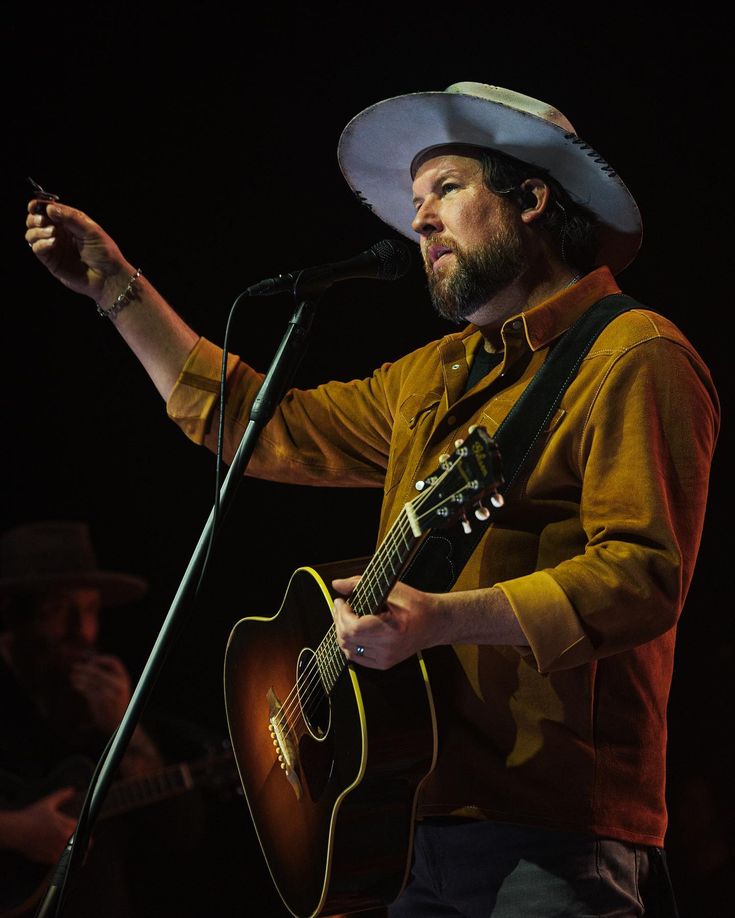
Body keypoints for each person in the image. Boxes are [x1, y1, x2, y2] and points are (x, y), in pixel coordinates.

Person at [23, 82, 720, 917]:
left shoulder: (633, 355)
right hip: (403, 810)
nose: (419, 220)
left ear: (532, 198)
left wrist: (446, 618)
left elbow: (642, 577)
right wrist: (115, 290)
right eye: (416, 200)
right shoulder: (432, 373)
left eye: (447, 189)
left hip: (548, 822)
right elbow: (257, 426)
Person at [0, 520, 164, 916]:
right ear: (14, 617)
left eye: (89, 610)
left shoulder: (103, 695)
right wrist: (17, 831)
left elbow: (177, 832)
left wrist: (125, 727)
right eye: (56, 610)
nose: (81, 630)